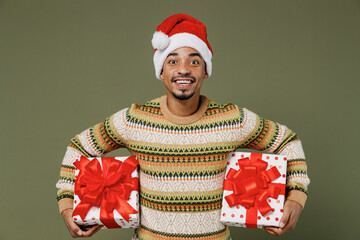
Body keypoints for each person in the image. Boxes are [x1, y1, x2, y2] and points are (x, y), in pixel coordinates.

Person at [56, 13, 310, 239]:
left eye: (194, 61)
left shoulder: (234, 119)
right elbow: (78, 147)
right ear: (162, 71)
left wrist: (296, 199)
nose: (184, 70)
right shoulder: (134, 119)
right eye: (173, 61)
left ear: (206, 70)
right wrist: (67, 204)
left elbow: (288, 141)